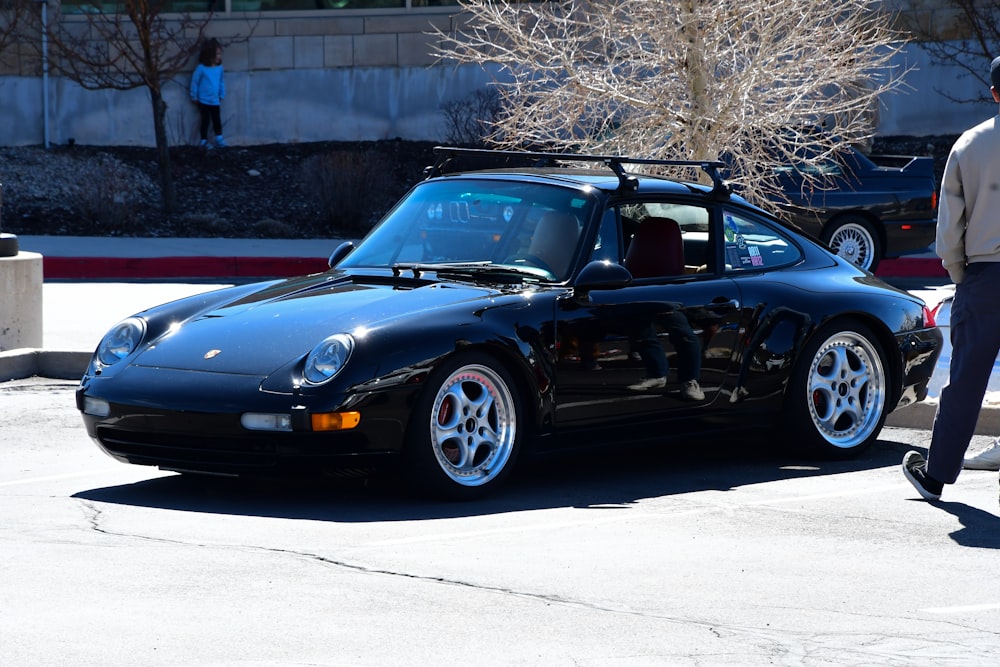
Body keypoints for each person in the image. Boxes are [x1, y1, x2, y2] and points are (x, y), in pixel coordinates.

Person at [902, 56, 1000, 501]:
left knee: (965, 381)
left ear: (994, 93)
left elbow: (949, 229)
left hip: (985, 278)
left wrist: (962, 275)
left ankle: (936, 475)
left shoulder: (969, 143)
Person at [190, 39, 227, 150]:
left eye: (220, 54)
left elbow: (221, 81)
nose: (219, 56)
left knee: (216, 120)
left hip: (215, 100)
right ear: (209, 54)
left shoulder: (219, 68)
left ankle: (219, 138)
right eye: (217, 54)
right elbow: (194, 82)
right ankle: (204, 141)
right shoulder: (201, 68)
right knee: (205, 120)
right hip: (203, 100)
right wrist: (194, 96)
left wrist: (222, 94)